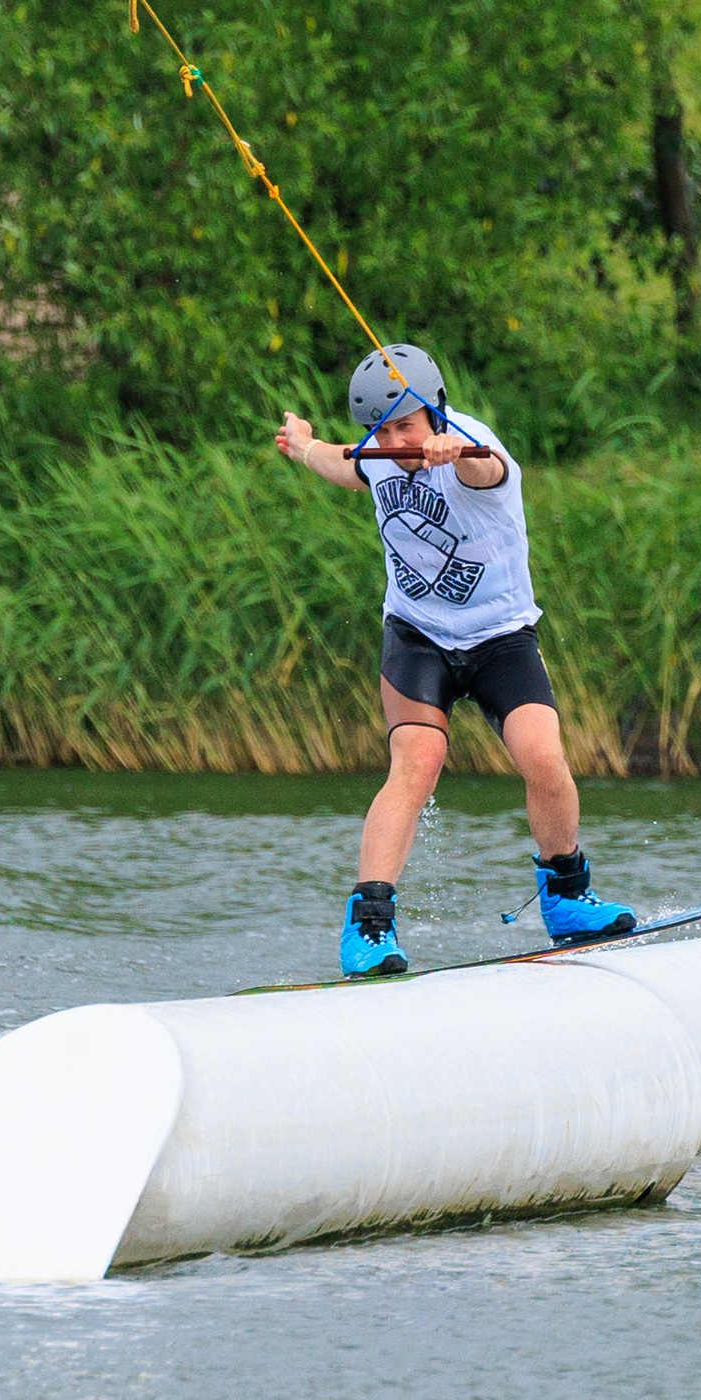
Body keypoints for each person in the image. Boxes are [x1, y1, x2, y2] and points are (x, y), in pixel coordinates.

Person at [274, 344, 635, 977]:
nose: (394, 441)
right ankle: (370, 930)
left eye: (405, 426)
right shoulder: (382, 456)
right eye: (381, 430)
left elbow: (486, 470)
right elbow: (344, 463)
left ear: (435, 412)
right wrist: (304, 445)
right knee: (418, 761)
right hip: (418, 636)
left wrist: (452, 451)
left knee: (543, 755)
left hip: (501, 638)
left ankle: (568, 899)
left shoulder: (473, 448)